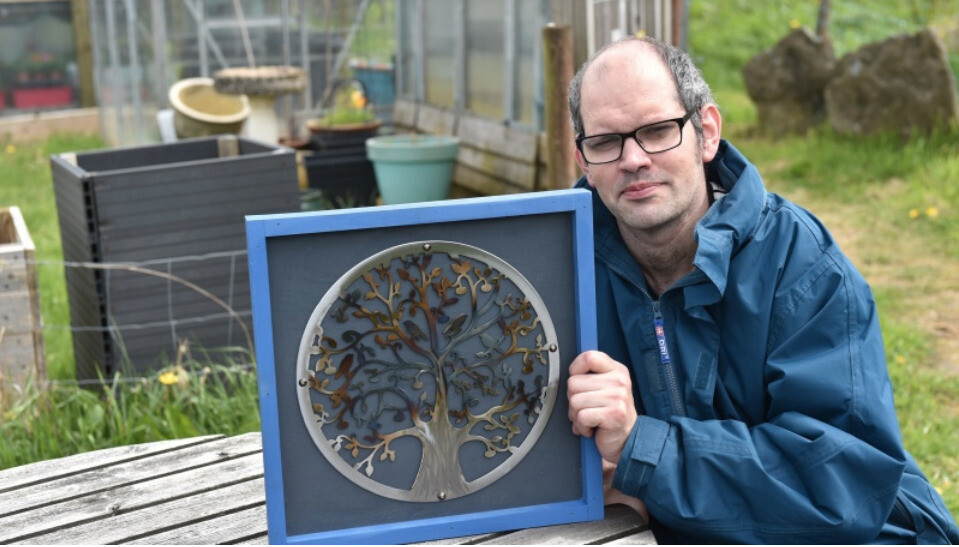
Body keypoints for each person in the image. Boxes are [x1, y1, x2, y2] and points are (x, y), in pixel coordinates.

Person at [564, 36, 959, 544]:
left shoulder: (806, 267)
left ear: (706, 133)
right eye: (606, 141)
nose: (633, 159)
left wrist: (644, 451)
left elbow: (839, 487)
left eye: (658, 130)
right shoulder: (553, 270)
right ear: (583, 161)